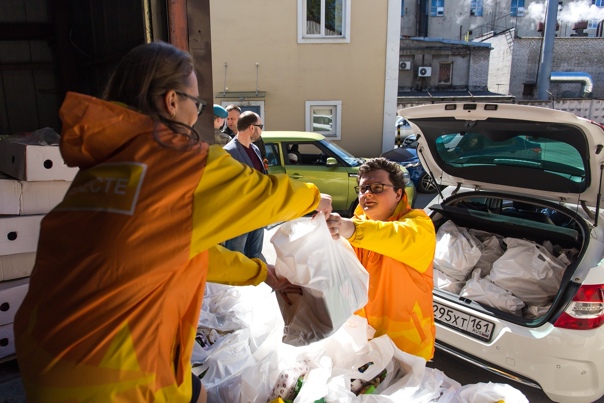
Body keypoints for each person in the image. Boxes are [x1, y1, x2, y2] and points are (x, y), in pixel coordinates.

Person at [13, 41, 332, 403]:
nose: (197, 115)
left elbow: (169, 250)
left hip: (45, 344)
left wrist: (261, 273)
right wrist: (313, 199)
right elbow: (261, 195)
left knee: (196, 393)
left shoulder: (109, 164)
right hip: (108, 373)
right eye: (195, 104)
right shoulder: (179, 165)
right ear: (171, 101)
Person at [325, 157, 436, 361]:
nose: (367, 193)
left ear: (398, 193)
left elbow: (397, 236)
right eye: (363, 188)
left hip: (405, 344)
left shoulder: (419, 224)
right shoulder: (353, 227)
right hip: (362, 341)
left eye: (377, 187)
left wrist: (350, 229)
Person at [223, 111, 267, 261]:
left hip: (257, 211)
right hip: (239, 215)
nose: (262, 130)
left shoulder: (255, 149)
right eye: (261, 126)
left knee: (255, 255)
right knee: (236, 256)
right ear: (252, 128)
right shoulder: (229, 152)